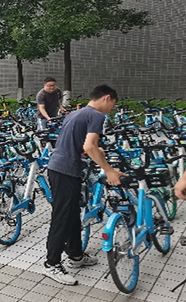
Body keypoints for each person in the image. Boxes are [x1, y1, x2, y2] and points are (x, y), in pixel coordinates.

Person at [43, 84, 125, 285]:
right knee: (61, 217)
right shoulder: (97, 116)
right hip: (65, 171)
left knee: (72, 215)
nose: (111, 109)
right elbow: (89, 146)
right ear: (106, 98)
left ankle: (75, 255)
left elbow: (79, 143)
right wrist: (109, 170)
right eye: (113, 104)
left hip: (61, 169)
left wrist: (96, 150)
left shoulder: (75, 113)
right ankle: (51, 263)